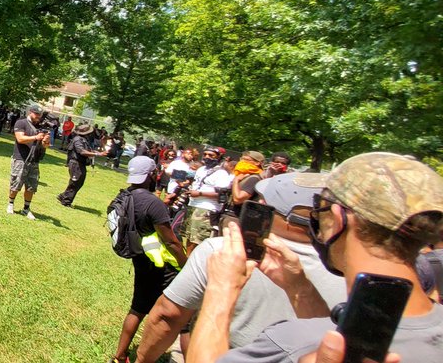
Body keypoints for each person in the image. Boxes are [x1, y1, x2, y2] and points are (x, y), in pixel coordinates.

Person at [191, 153, 443, 363]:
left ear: (336, 220)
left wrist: (221, 289)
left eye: (319, 212)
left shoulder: (295, 344)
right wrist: (300, 287)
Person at [134, 173, 348, 362]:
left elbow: (168, 316)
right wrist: (300, 288)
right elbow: (322, 336)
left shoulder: (221, 251)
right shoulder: (351, 272)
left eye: (260, 202)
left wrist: (222, 288)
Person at [111, 156, 188, 363]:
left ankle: (118, 356)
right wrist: (186, 265)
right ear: (152, 174)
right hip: (163, 265)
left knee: (138, 308)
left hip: (140, 259)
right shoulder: (153, 203)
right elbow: (171, 242)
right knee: (184, 317)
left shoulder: (124, 196)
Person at [181, 146, 233, 252]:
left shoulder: (221, 173)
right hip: (193, 205)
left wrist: (200, 193)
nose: (207, 157)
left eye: (211, 155)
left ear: (218, 157)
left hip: (206, 209)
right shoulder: (201, 169)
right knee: (188, 238)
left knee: (198, 241)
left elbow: (221, 194)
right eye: (205, 154)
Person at [7, 103, 50, 219]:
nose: (38, 116)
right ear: (30, 112)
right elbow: (20, 139)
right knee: (16, 182)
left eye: (39, 114)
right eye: (36, 114)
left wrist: (45, 141)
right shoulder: (21, 123)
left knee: (31, 186)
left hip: (34, 159)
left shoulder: (41, 126)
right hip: (21, 158)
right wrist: (35, 137)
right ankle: (10, 204)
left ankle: (26, 208)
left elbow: (45, 146)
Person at [56, 123, 107, 208]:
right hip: (76, 163)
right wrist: (98, 154)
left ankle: (63, 196)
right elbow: (82, 151)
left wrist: (97, 153)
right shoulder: (78, 139)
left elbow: (88, 150)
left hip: (80, 163)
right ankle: (66, 201)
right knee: (75, 182)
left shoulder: (83, 139)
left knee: (79, 182)